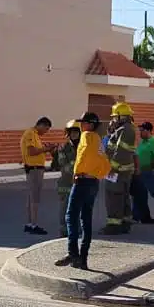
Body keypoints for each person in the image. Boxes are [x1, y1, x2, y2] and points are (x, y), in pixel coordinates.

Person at [58, 112, 108, 270]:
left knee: (71, 215)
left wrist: (77, 173)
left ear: (89, 124)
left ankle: (73, 253)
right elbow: (105, 162)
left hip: (82, 180)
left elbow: (83, 156)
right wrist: (98, 175)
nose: (81, 126)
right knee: (86, 219)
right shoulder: (98, 139)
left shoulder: (86, 136)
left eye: (83, 123)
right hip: (93, 182)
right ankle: (83, 258)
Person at [102, 101, 139, 234]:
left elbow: (121, 152)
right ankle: (124, 222)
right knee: (121, 196)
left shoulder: (126, 130)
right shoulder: (122, 129)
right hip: (120, 170)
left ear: (120, 117)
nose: (112, 120)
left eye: (114, 117)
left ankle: (114, 225)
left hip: (117, 170)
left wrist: (111, 168)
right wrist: (111, 132)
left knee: (114, 196)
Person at [20, 116, 53, 235]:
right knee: (35, 198)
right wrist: (46, 149)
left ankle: (30, 223)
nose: (46, 132)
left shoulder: (35, 135)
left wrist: (45, 149)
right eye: (46, 129)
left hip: (36, 169)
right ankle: (33, 224)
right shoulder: (30, 134)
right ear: (41, 125)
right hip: (34, 169)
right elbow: (31, 151)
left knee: (32, 197)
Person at [49, 119, 82, 237]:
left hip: (80, 182)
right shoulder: (63, 148)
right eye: (71, 132)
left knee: (79, 207)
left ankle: (77, 228)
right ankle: (64, 229)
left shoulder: (84, 147)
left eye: (76, 132)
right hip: (66, 183)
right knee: (65, 207)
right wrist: (79, 165)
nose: (74, 134)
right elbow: (63, 164)